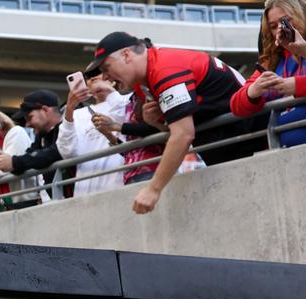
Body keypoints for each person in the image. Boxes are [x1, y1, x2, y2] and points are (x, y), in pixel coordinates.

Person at [86, 32, 262, 214]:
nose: (105, 77)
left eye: (107, 67)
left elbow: (183, 135)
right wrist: (154, 122)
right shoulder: (143, 81)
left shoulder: (164, 68)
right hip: (222, 144)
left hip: (250, 141)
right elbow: (177, 129)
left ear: (126, 55)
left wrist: (153, 189)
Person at [231, 0, 306, 148]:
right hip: (288, 153)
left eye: (286, 21)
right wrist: (254, 91)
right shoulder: (273, 61)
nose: (280, 28)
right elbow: (236, 105)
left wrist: (296, 85)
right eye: (273, 26)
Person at [57, 75, 129, 196]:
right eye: (89, 77)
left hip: (120, 186)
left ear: (112, 79)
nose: (93, 78)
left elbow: (128, 119)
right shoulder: (78, 114)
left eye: (99, 73)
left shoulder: (127, 101)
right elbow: (67, 152)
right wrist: (69, 108)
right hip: (85, 191)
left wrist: (111, 92)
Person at [0, 89, 63, 199]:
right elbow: (29, 156)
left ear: (45, 110)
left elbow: (54, 152)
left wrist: (14, 162)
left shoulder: (68, 126)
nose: (27, 124)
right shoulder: (41, 136)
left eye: (30, 117)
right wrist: (10, 162)